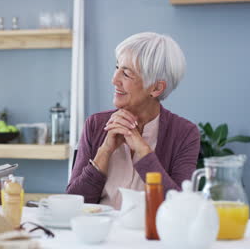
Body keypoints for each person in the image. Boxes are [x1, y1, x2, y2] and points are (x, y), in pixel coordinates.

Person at [66, 32, 200, 209]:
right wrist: (105, 151)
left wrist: (143, 152)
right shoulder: (95, 125)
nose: (114, 80)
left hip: (150, 235)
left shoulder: (185, 133)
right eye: (117, 68)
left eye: (127, 74)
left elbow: (180, 208)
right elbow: (71, 204)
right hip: (100, 233)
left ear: (156, 88)